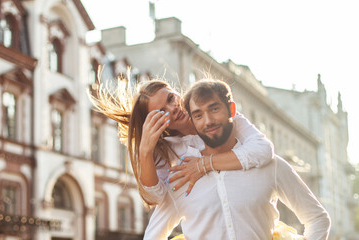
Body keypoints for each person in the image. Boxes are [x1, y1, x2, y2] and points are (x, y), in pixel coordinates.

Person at [143, 79, 330, 240]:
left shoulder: (270, 166)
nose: (208, 121)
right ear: (192, 119)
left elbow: (318, 218)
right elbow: (152, 235)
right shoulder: (182, 179)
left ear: (231, 110)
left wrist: (205, 164)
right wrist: (145, 150)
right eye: (198, 115)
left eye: (214, 109)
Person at [89, 73, 274, 207]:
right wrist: (145, 151)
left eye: (171, 98)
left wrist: (203, 164)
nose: (173, 108)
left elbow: (263, 151)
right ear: (154, 122)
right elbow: (156, 197)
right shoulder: (168, 150)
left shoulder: (218, 117)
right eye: (162, 111)